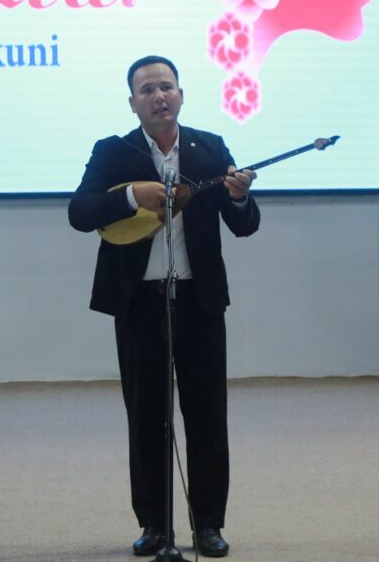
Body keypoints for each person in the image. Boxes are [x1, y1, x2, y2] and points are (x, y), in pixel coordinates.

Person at [68, 55, 259, 558]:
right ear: (132, 103)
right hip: (140, 303)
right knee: (147, 417)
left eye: (167, 87)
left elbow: (244, 225)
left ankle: (208, 525)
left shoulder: (209, 147)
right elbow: (80, 213)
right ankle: (154, 525)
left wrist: (239, 197)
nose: (159, 97)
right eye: (148, 90)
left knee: (207, 416)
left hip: (199, 300)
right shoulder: (113, 152)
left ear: (181, 95)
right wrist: (132, 196)